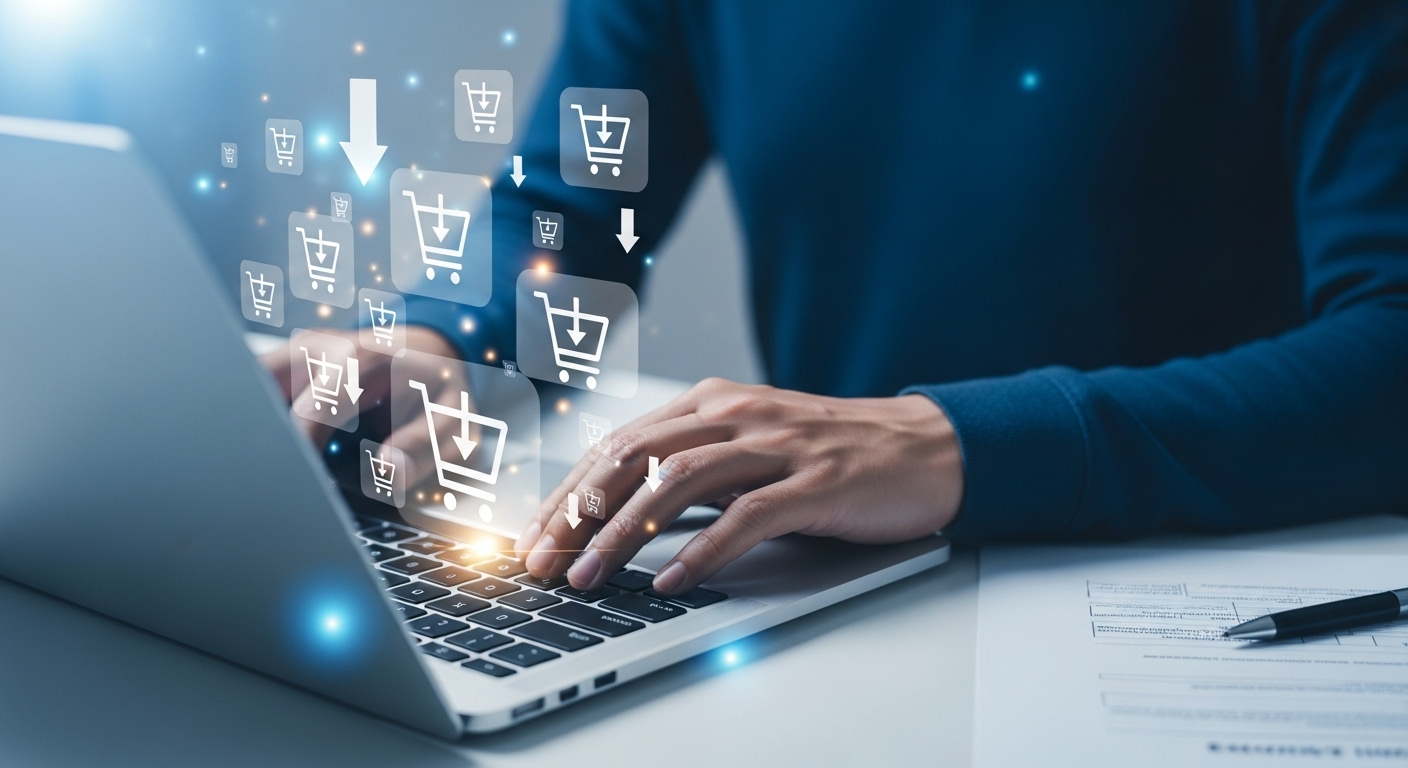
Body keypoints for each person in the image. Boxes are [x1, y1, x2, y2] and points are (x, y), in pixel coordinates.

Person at [288, 1, 1408, 599]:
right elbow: (568, 206)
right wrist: (445, 336)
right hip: (827, 583)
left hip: (1177, 592)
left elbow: (1390, 349)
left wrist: (960, 440)